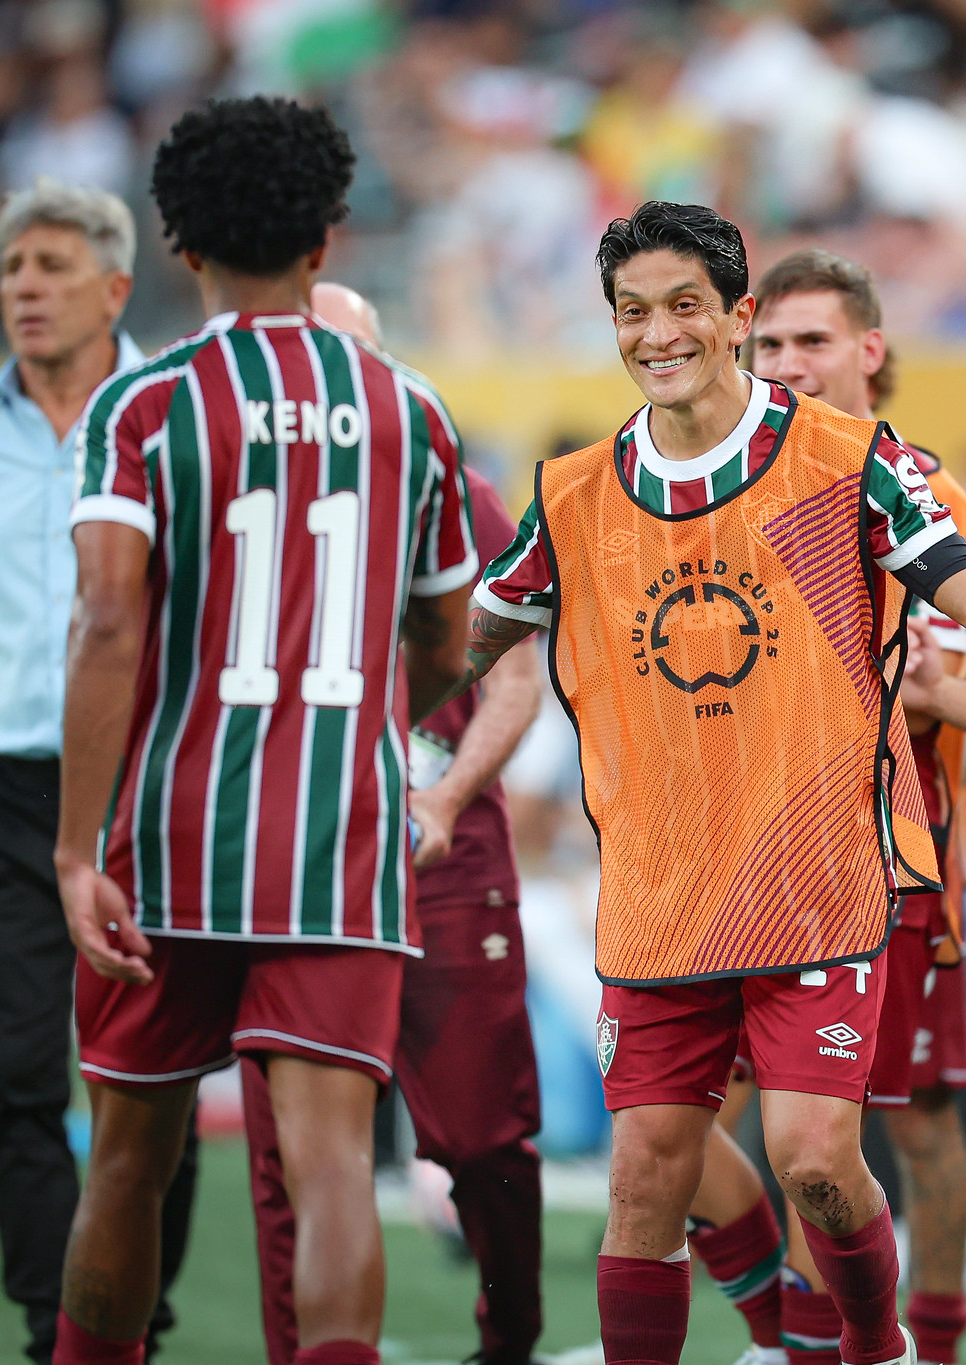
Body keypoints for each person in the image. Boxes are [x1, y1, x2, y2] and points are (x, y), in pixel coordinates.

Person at [466, 200, 966, 1365]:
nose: (658, 334)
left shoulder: (849, 461)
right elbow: (462, 639)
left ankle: (875, 1349)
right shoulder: (572, 495)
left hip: (821, 880)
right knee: (644, 1185)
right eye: (633, 313)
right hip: (657, 894)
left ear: (737, 316)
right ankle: (791, 1341)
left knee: (820, 1163)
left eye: (684, 307)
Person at [50, 96, 476, 1365]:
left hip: (170, 832)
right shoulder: (413, 411)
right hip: (338, 838)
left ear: (178, 243)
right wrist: (363, 735)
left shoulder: (143, 408)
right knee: (334, 1163)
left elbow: (106, 623)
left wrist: (78, 853)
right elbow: (446, 644)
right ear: (328, 238)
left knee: (129, 1161)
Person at [674, 247, 966, 1365]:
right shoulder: (717, 477)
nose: (786, 364)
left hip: (875, 863)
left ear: (870, 351)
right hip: (721, 861)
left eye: (812, 342)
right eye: (770, 343)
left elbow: (926, 691)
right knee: (672, 1133)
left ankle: (902, 1344)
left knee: (885, 1127)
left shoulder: (930, 498)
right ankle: (788, 1332)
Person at [0, 181, 198, 1365]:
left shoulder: (176, 412)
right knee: (16, 1078)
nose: (21, 283)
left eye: (52, 265)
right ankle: (50, 1327)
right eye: (13, 264)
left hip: (143, 796)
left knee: (152, 1082)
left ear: (116, 287)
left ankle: (144, 1313)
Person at [237, 282, 548, 1365]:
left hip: (437, 849)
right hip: (296, 866)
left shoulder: (457, 493)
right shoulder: (247, 502)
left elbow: (516, 674)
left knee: (481, 1138)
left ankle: (508, 1338)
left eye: (349, 356)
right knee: (287, 1159)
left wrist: (446, 795)